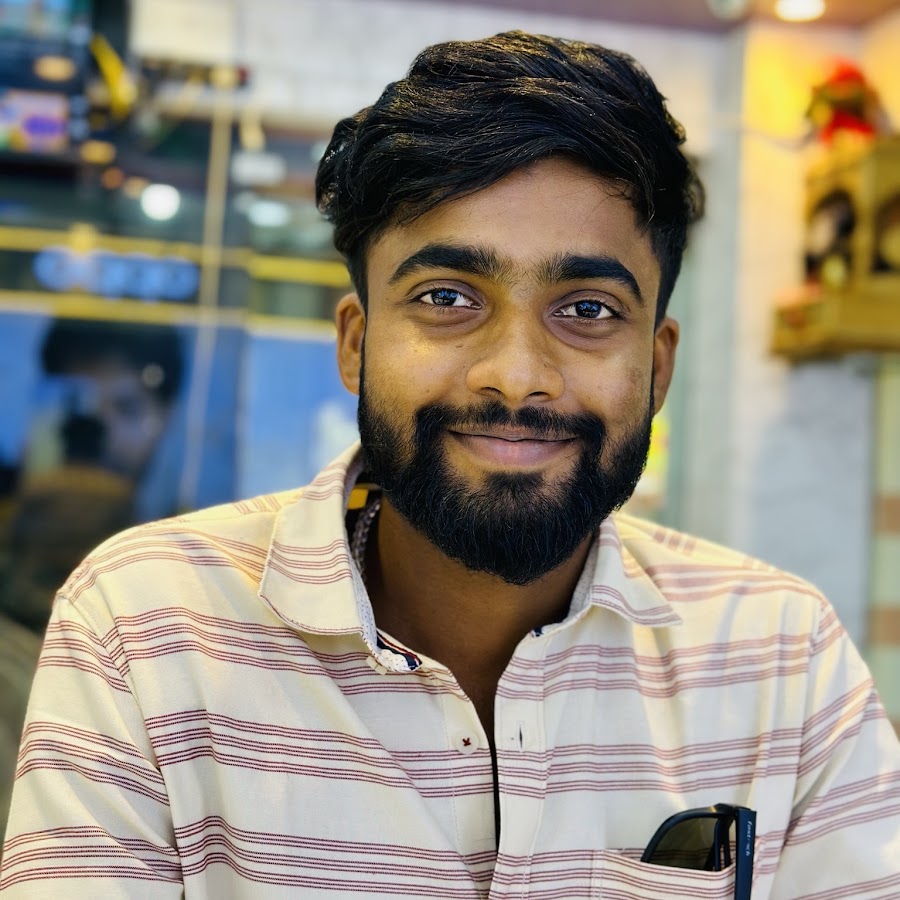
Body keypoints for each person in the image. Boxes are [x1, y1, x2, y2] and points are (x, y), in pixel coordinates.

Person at [2, 31, 898, 898]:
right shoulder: (146, 627)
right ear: (356, 343)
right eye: (446, 297)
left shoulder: (782, 656)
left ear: (658, 367)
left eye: (587, 309)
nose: (516, 374)